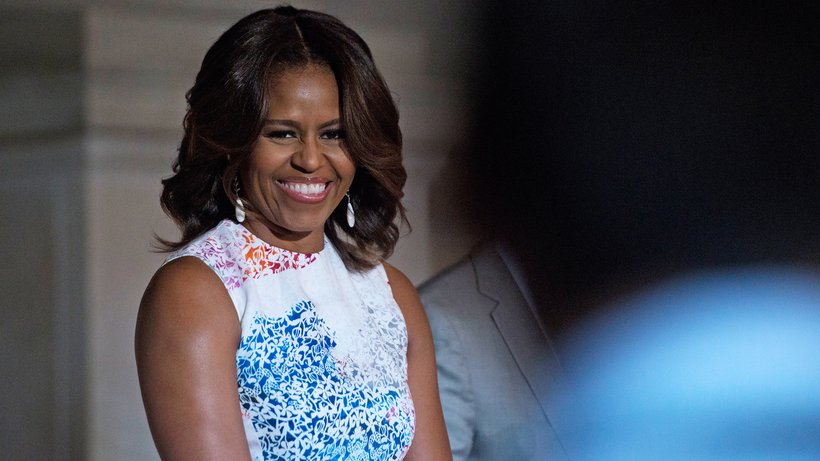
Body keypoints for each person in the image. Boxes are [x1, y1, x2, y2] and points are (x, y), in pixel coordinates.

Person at [135, 7, 451, 460]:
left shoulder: (393, 295)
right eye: (282, 134)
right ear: (232, 145)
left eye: (335, 134)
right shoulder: (196, 291)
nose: (310, 159)